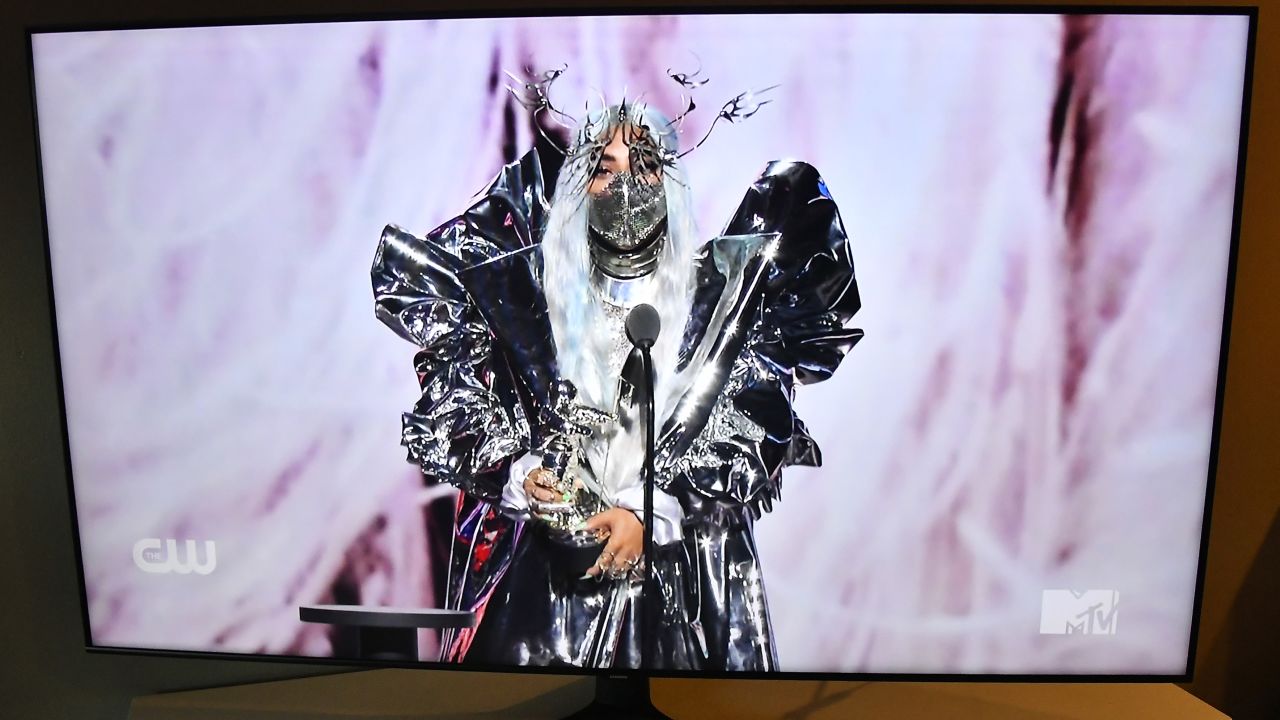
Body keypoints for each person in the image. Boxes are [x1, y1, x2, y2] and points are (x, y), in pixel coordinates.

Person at [372, 98, 861, 670]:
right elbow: (469, 405)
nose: (626, 184)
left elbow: (746, 429)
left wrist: (651, 510)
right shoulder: (531, 292)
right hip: (544, 604)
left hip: (677, 596)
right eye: (605, 167)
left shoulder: (721, 295)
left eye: (647, 164)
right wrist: (525, 475)